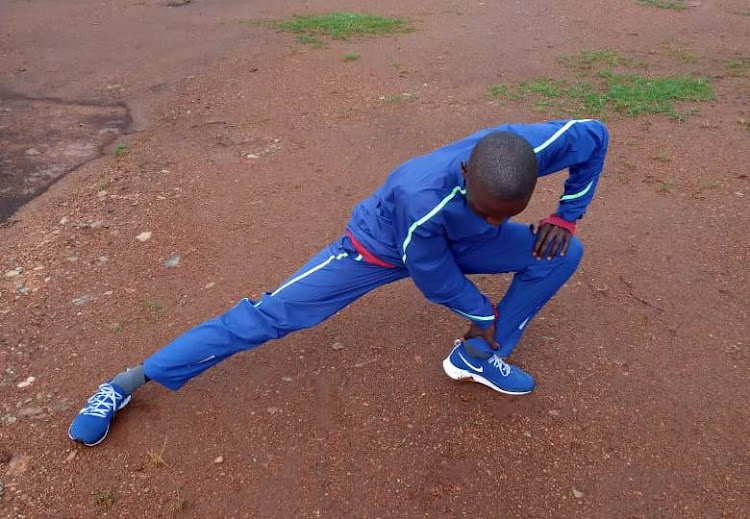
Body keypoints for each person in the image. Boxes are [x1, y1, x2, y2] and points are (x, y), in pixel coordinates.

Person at [69, 119, 609, 446]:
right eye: (491, 211)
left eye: (507, 214)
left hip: (453, 241)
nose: (500, 222)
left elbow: (596, 137)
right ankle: (124, 383)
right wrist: (480, 310)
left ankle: (477, 356)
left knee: (563, 254)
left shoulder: (534, 148)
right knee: (269, 316)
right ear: (465, 175)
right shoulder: (419, 197)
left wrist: (566, 214)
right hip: (377, 250)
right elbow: (435, 279)